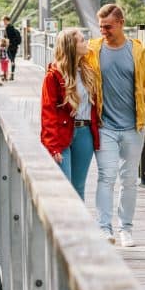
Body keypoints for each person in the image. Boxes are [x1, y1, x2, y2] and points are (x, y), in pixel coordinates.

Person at [84, 3, 145, 247]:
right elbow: (67, 62)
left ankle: (126, 229)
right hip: (104, 126)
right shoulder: (92, 50)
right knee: (106, 176)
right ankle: (104, 228)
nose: (104, 31)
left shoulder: (140, 53)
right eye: (100, 27)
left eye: (108, 27)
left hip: (134, 127)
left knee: (129, 179)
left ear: (121, 23)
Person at [40, 28, 100, 201]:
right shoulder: (53, 76)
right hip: (62, 135)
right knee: (64, 187)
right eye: (81, 40)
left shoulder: (87, 71)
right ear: (71, 46)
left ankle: (80, 228)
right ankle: (63, 227)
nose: (86, 42)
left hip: (85, 134)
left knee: (78, 187)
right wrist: (52, 145)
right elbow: (48, 112)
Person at [2, 15, 21, 80]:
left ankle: (5, 75)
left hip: (9, 46)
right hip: (15, 46)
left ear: (7, 20)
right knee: (13, 60)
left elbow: (7, 38)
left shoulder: (8, 28)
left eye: (4, 20)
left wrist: (5, 44)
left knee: (8, 59)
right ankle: (12, 74)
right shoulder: (14, 28)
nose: (3, 22)